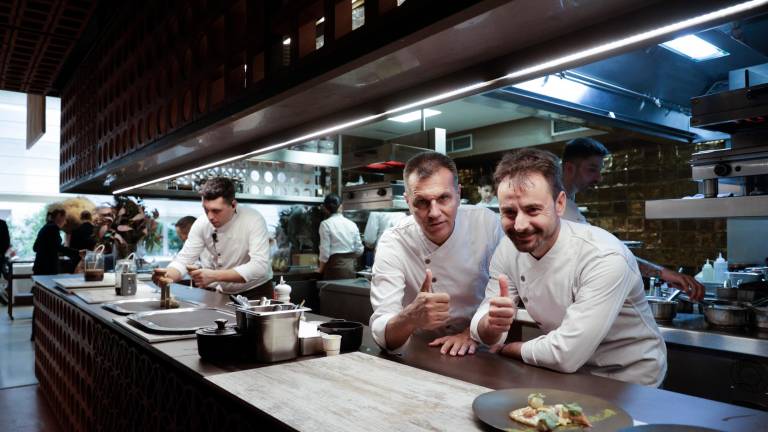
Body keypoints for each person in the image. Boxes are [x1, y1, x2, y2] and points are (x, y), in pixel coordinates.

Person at [470, 148, 666, 386]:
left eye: (532, 210)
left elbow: (565, 354)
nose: (519, 225)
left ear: (560, 203)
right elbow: (485, 326)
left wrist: (508, 348)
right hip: (566, 374)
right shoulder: (507, 251)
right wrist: (490, 326)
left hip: (628, 378)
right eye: (509, 213)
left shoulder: (603, 256)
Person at [370, 151, 504, 356]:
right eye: (422, 202)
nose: (434, 213)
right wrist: (410, 317)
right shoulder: (394, 242)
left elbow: (501, 293)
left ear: (458, 195)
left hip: (480, 347)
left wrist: (471, 334)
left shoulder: (487, 224)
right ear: (407, 201)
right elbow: (382, 331)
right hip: (420, 351)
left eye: (443, 198)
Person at [561, 137, 704, 300]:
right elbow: (606, 252)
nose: (599, 178)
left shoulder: (568, 201)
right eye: (592, 170)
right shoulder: (561, 205)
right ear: (569, 168)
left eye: (599, 171)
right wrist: (664, 273)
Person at [159, 177, 273, 298]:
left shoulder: (253, 219)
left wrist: (214, 276)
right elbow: (184, 260)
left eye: (216, 211)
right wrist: (166, 276)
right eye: (206, 209)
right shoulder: (202, 223)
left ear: (233, 205)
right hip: (225, 293)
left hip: (256, 291)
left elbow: (260, 266)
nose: (210, 216)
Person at [318, 194, 364, 279]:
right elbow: (360, 250)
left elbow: (325, 252)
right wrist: (349, 259)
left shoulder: (325, 224)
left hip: (334, 269)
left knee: (334, 292)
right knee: (348, 292)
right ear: (341, 207)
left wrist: (320, 269)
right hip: (350, 269)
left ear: (325, 209)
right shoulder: (352, 224)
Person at [33, 209, 79, 275]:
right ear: (59, 216)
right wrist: (78, 252)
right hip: (47, 268)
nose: (65, 222)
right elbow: (58, 247)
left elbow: (35, 247)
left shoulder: (46, 227)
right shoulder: (53, 228)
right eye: (64, 219)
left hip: (40, 266)